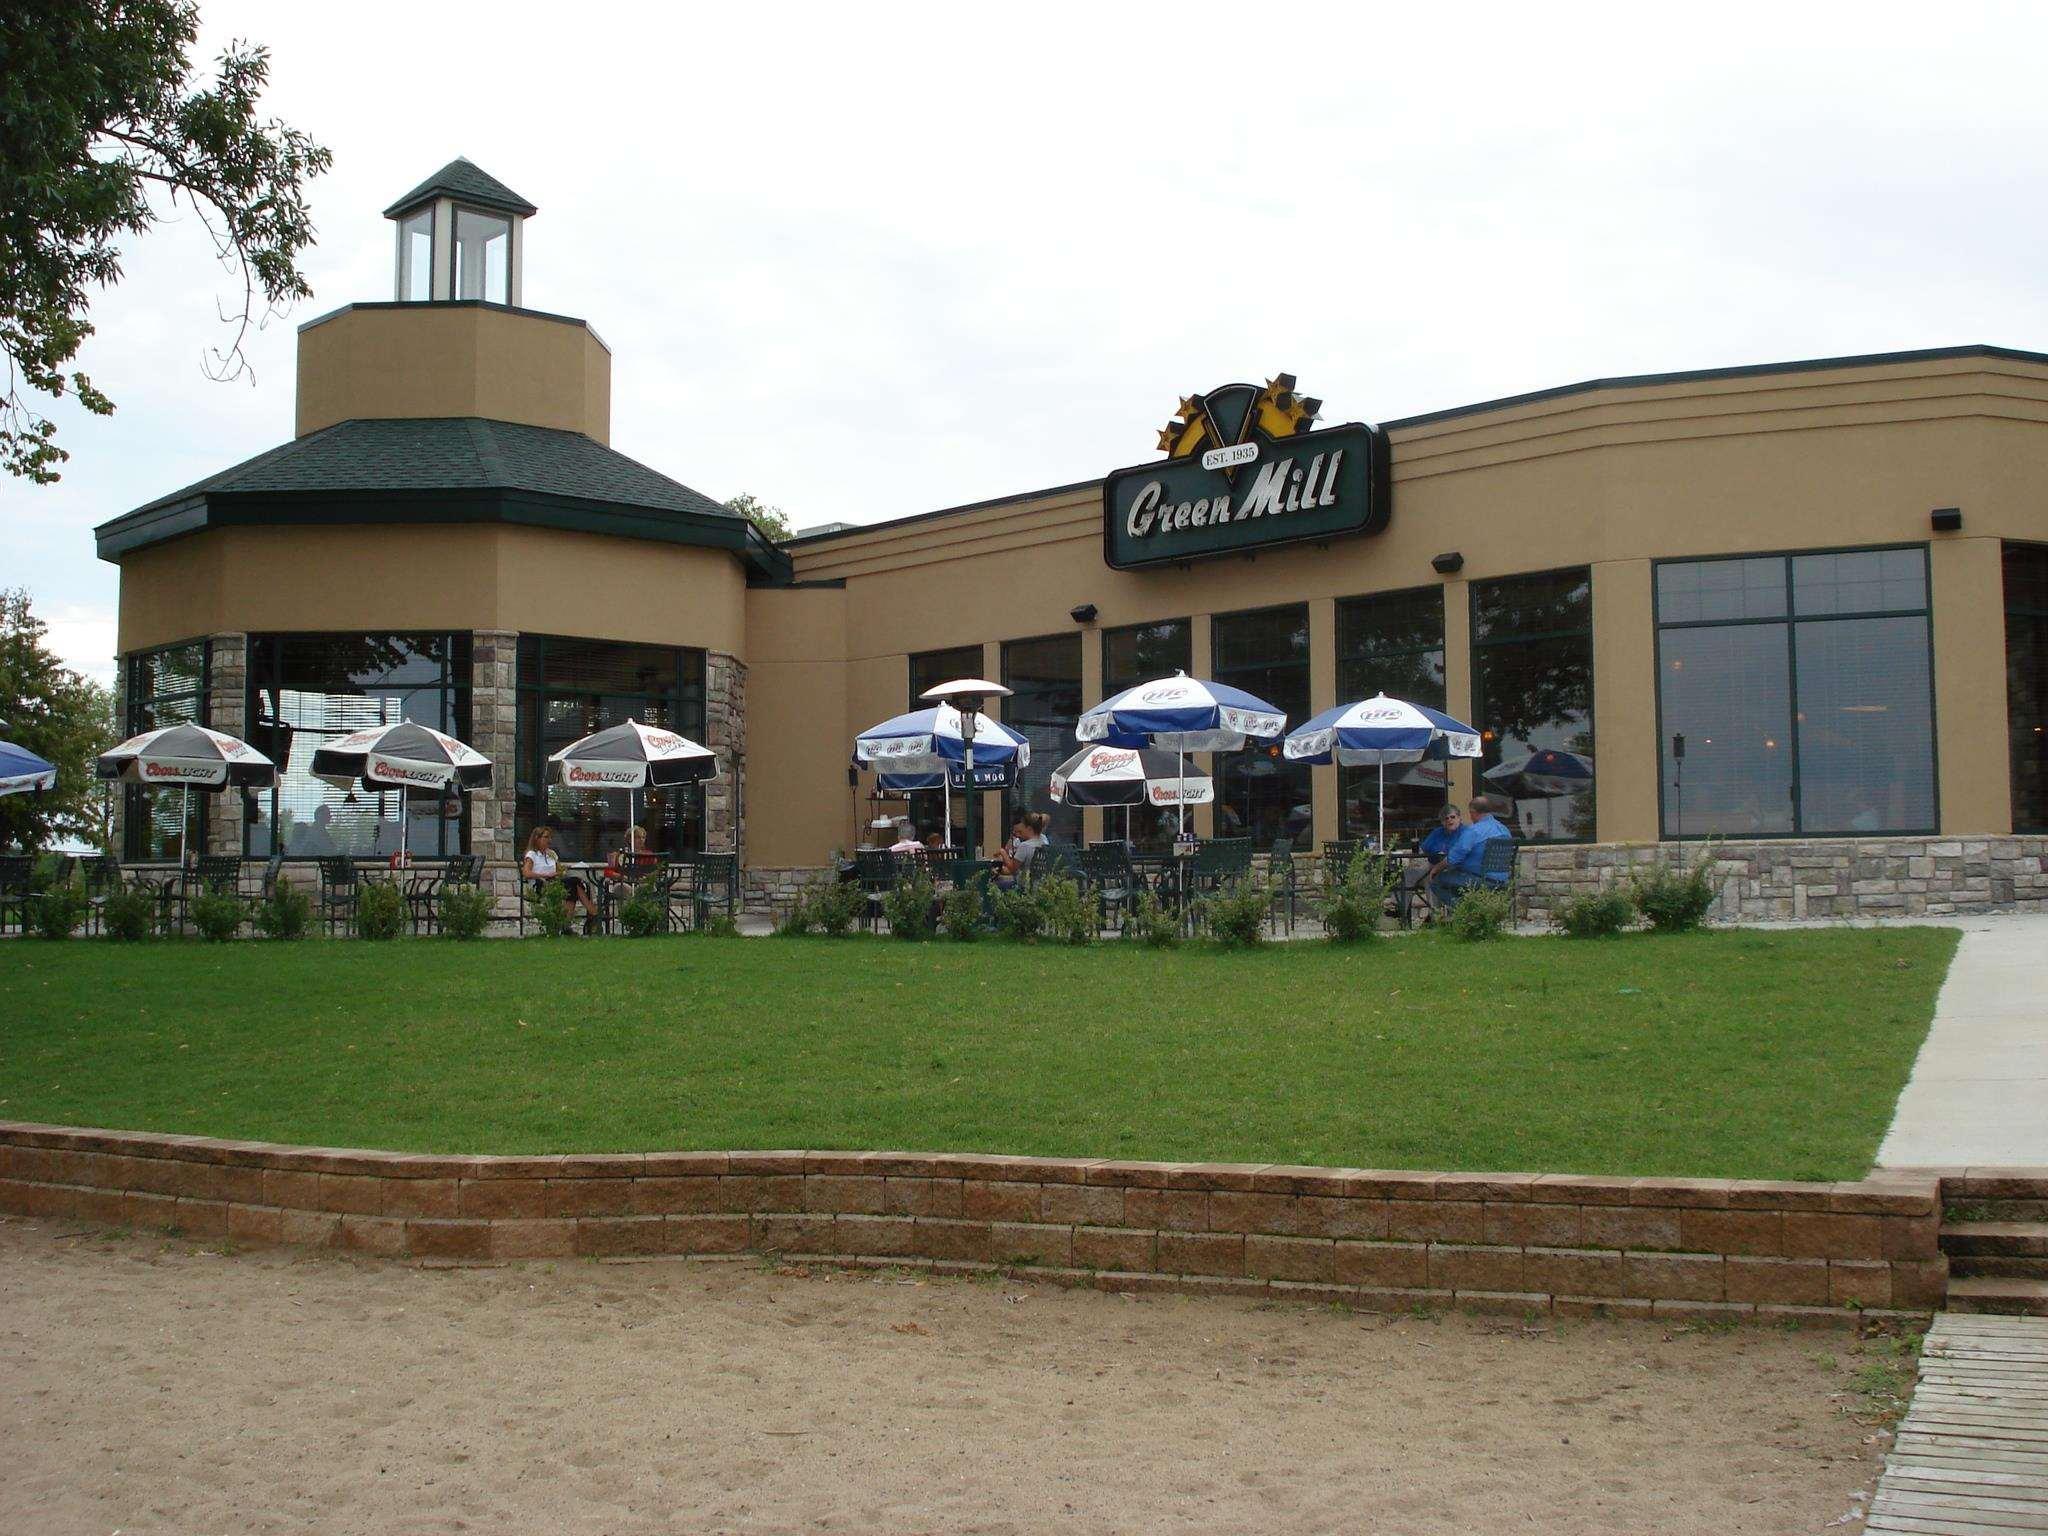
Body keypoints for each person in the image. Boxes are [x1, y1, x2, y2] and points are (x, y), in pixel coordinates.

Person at [1434, 795, 1514, 909]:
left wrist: (1436, 868)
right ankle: (1476, 910)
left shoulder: (1474, 830)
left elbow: (1454, 857)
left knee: (1438, 881)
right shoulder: (1504, 830)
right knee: (1455, 878)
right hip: (1502, 879)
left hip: (1479, 879)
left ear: (1473, 812)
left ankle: (1467, 912)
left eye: (1470, 813)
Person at [523, 825, 600, 934]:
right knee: (573, 883)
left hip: (554, 882)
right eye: (546, 837)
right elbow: (526, 873)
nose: (549, 841)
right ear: (537, 839)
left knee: (573, 885)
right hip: (540, 884)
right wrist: (545, 875)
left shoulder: (551, 854)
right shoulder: (532, 855)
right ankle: (593, 913)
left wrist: (559, 873)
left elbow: (560, 870)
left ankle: (566, 925)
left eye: (550, 838)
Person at [1404, 803, 1463, 922]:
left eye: (1452, 817)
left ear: (1459, 818)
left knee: (1430, 880)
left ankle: (1434, 916)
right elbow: (1423, 849)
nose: (1449, 820)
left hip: (1453, 869)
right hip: (1431, 865)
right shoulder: (1437, 832)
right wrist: (1417, 860)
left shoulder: (1465, 833)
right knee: (1410, 872)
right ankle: (1400, 909)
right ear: (1442, 822)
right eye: (1446, 818)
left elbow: (1458, 856)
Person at [993, 812, 1048, 885]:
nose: (1019, 833)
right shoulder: (1044, 840)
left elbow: (1012, 868)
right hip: (1041, 884)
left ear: (1029, 829)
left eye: (1022, 828)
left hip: (1025, 886)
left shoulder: (1025, 846)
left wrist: (1002, 852)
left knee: (995, 884)